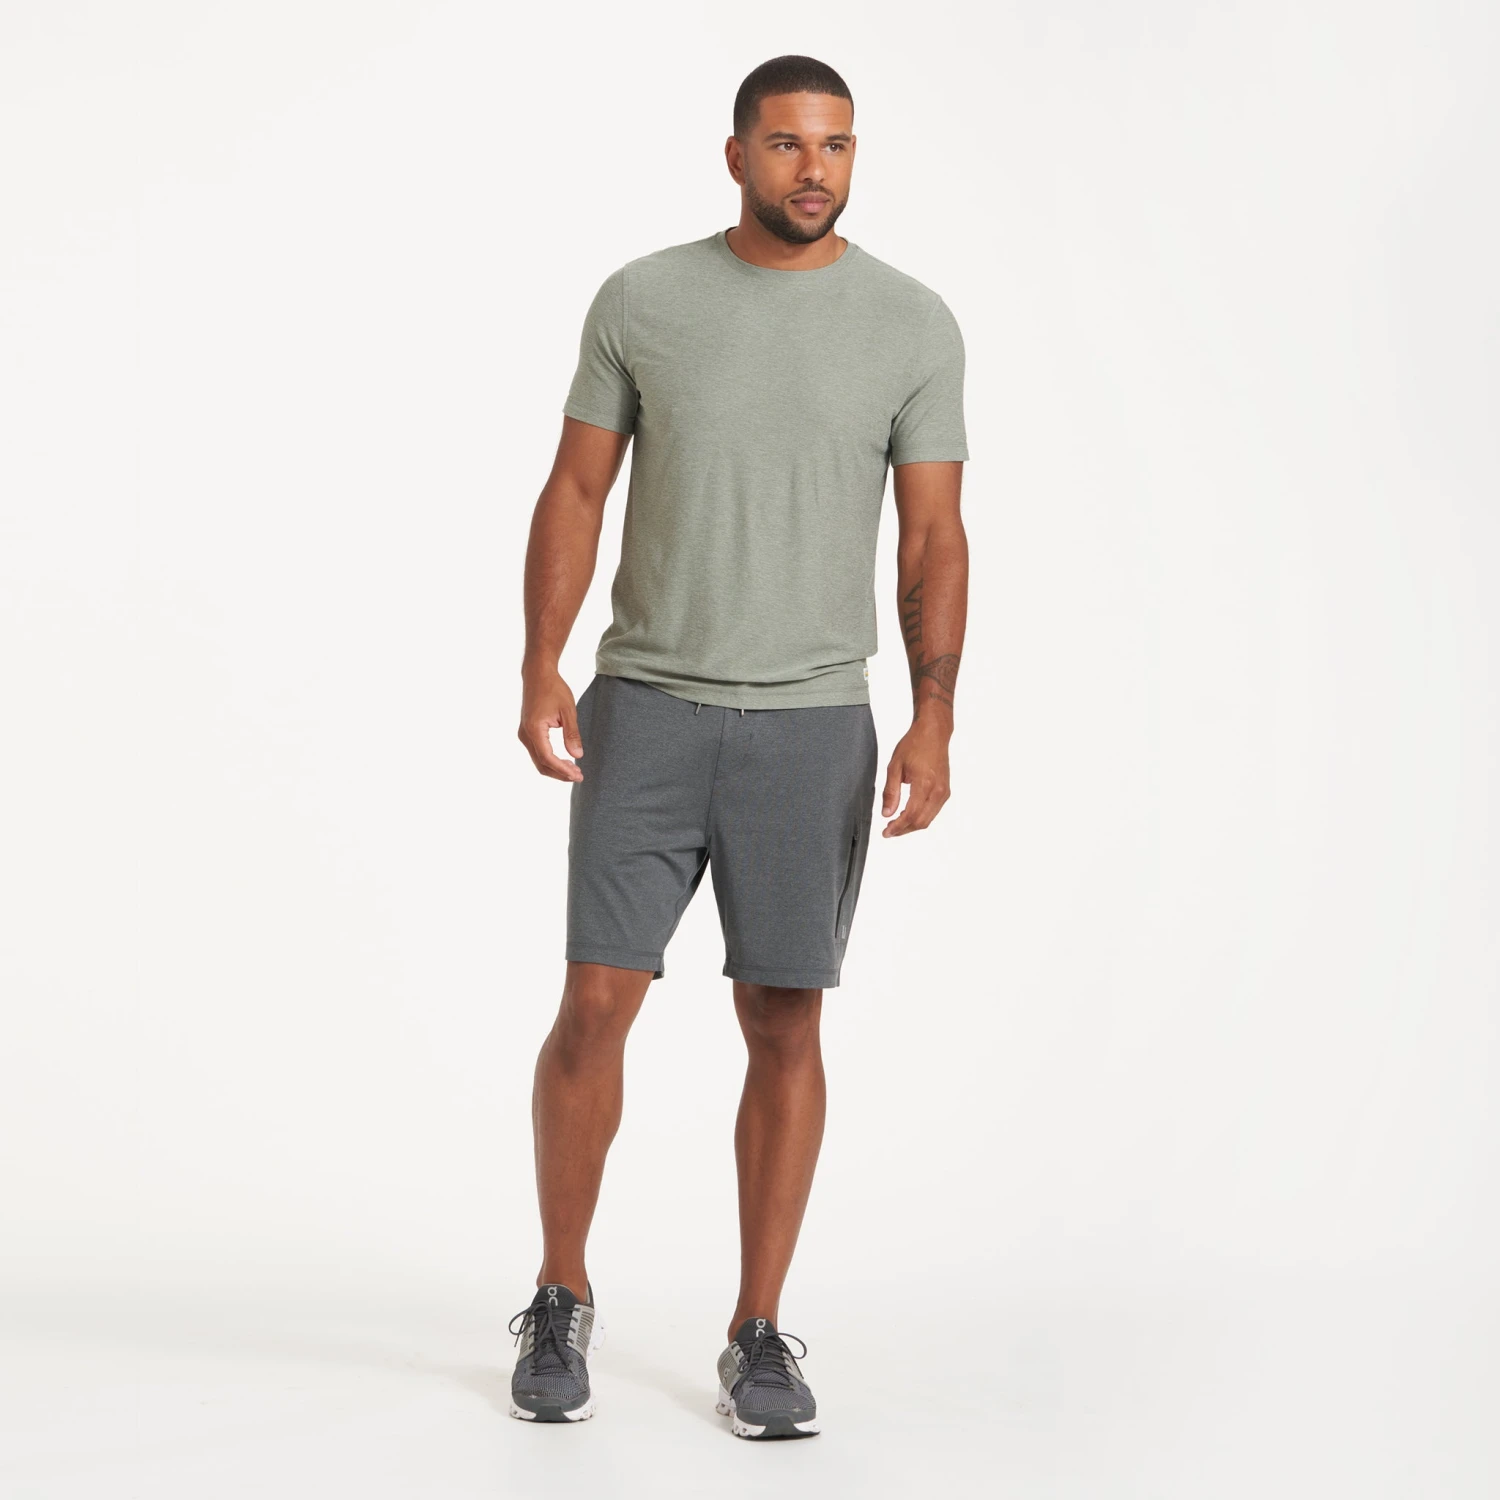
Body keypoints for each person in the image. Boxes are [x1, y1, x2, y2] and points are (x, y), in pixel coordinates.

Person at [510, 54, 969, 1439]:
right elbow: (577, 487)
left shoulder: (911, 323)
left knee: (784, 1019)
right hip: (646, 703)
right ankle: (560, 1293)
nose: (813, 169)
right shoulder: (644, 298)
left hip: (813, 722)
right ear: (736, 157)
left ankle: (758, 1330)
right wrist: (539, 660)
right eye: (785, 144)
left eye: (835, 145)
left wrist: (936, 711)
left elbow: (934, 534)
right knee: (598, 1000)